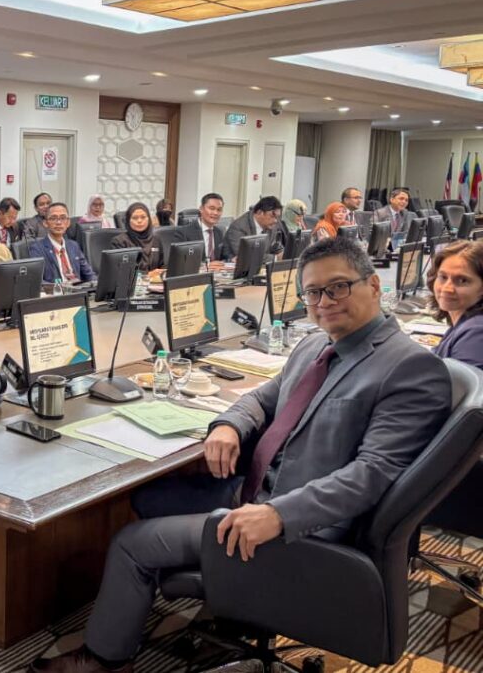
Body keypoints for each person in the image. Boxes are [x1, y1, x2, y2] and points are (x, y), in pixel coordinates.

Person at [30, 236, 451, 673]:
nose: (324, 302)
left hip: (303, 528)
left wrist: (279, 515)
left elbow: (371, 475)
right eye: (312, 292)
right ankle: (223, 603)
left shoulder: (408, 367)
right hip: (259, 489)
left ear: (374, 285)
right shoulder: (317, 344)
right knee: (148, 497)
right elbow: (262, 398)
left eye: (338, 287)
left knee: (133, 544)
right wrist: (228, 425)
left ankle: (105, 659)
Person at [428, 240, 483, 369]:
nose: (447, 288)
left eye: (462, 280)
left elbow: (458, 382)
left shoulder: (476, 332)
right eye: (443, 277)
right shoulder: (464, 322)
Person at [28, 202, 96, 284]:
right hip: (56, 290)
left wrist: (97, 284)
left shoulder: (73, 246)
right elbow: (37, 281)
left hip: (78, 289)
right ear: (45, 223)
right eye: (53, 218)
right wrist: (58, 287)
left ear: (68, 223)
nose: (59, 222)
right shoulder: (37, 248)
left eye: (63, 218)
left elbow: (89, 275)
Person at [176, 193, 228, 268]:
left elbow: (224, 256)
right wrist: (206, 265)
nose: (215, 213)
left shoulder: (220, 232)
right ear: (201, 209)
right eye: (212, 208)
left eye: (219, 210)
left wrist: (232, 259)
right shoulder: (183, 233)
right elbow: (181, 260)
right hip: (196, 274)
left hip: (217, 273)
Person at [224, 195, 283, 259]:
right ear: (259, 212)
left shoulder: (271, 226)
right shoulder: (239, 227)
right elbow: (246, 255)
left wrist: (283, 253)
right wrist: (275, 258)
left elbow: (275, 247)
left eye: (277, 217)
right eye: (272, 216)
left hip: (261, 264)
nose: (275, 221)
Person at [109, 202, 161, 270]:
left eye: (143, 217)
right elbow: (120, 270)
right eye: (135, 218)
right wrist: (147, 275)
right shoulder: (119, 242)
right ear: (128, 220)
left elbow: (162, 265)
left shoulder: (156, 239)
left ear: (149, 219)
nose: (139, 221)